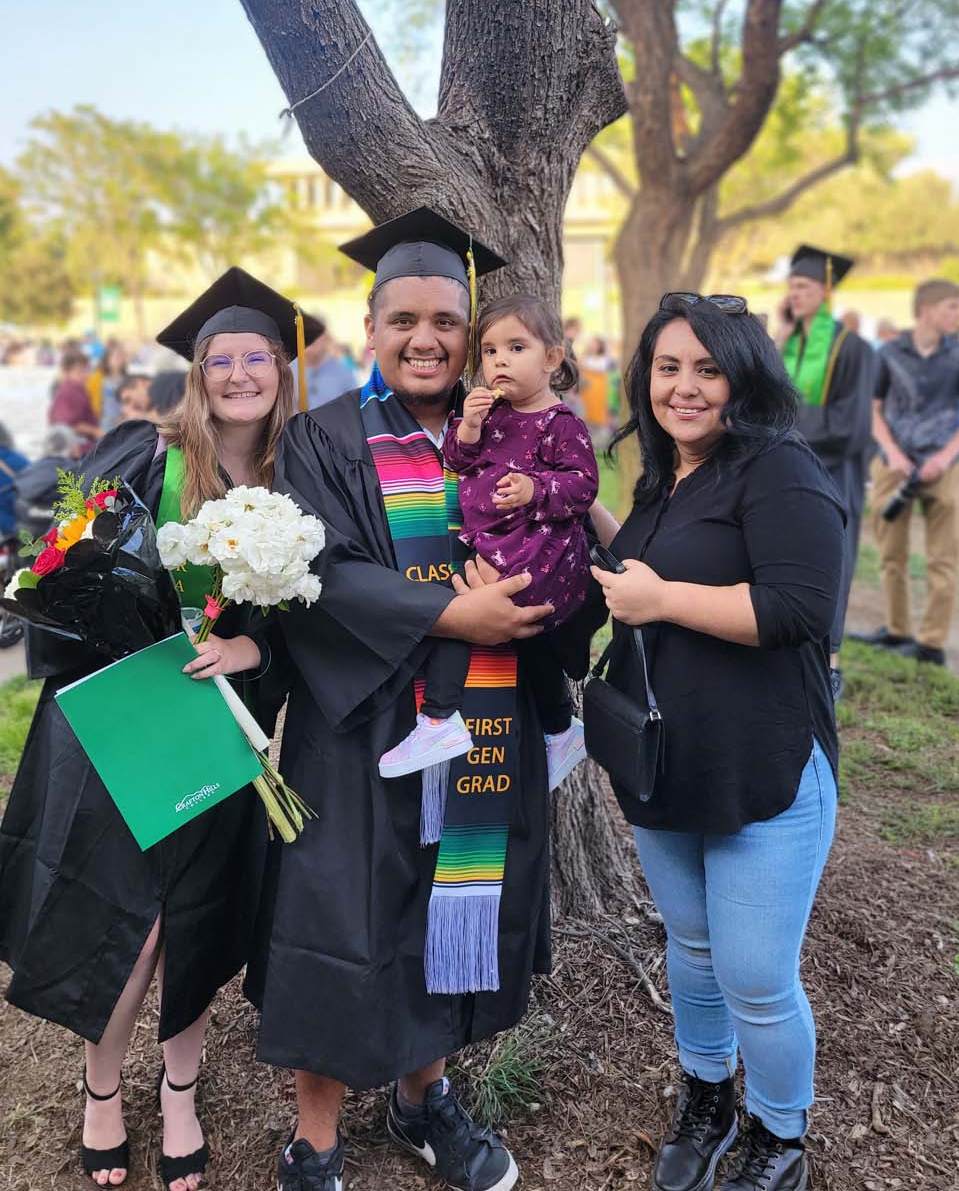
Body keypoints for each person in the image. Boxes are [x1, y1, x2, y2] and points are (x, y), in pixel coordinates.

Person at [234, 207, 577, 1191]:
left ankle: (425, 1098)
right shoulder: (322, 437)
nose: (425, 339)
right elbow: (320, 576)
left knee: (450, 905)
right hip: (362, 726)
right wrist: (450, 618)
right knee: (343, 916)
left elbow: (558, 552)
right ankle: (315, 1137)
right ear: (373, 327)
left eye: (445, 320)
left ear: (471, 333)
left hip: (484, 719)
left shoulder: (518, 437)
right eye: (404, 320)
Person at [0, 268, 321, 1191]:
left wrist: (251, 657)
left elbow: (317, 622)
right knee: (126, 918)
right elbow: (56, 570)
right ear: (197, 372)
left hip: (225, 724)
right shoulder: (145, 455)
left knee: (192, 920)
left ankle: (181, 1089)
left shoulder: (307, 472)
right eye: (220, 359)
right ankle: (101, 1088)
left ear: (283, 368)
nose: (239, 374)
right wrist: (140, 624)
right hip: (128, 719)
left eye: (257, 357)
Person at [587, 292, 844, 1191]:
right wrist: (582, 513)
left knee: (756, 974)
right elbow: (646, 572)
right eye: (668, 367)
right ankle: (709, 1096)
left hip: (765, 764)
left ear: (745, 374)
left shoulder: (777, 468)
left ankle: (782, 1135)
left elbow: (800, 608)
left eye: (707, 368)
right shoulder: (667, 477)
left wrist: (660, 601)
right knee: (691, 949)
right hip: (666, 759)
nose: (685, 387)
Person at [378, 293, 595, 792]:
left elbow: (583, 485)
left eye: (516, 348)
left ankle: (438, 719)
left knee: (465, 611)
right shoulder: (494, 414)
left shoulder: (560, 423)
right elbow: (458, 459)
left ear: (553, 358)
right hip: (503, 543)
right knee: (530, 641)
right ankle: (562, 728)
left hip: (538, 551)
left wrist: (535, 488)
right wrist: (470, 425)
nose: (500, 361)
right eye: (491, 351)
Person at [857, 280, 959, 666]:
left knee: (944, 558)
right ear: (927, 310)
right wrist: (893, 454)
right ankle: (898, 632)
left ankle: (931, 644)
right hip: (894, 467)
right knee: (890, 555)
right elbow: (872, 409)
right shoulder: (889, 353)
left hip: (944, 468)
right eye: (952, 307)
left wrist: (944, 458)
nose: (958, 315)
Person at [776, 246, 875, 700]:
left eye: (804, 287)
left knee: (833, 563)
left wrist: (789, 425)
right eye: (792, 286)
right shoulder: (789, 343)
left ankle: (831, 663)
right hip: (791, 472)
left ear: (825, 291)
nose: (795, 294)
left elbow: (852, 426)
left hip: (835, 475)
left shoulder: (853, 349)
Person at [13, 424, 81, 530]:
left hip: (25, 527)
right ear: (72, 447)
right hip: (55, 530)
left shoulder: (30, 469)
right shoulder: (74, 470)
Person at [49, 346, 101, 453]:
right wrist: (95, 431)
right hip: (75, 447)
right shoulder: (67, 392)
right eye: (79, 372)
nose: (85, 375)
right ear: (66, 372)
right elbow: (65, 425)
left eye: (86, 370)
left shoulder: (80, 390)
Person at [299, 323, 360, 409]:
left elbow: (355, 411)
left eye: (314, 335)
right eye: (305, 335)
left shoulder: (344, 375)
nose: (309, 340)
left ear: (326, 339)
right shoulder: (289, 370)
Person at [99, 341, 132, 429]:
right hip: (109, 423)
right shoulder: (103, 380)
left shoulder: (128, 380)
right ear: (107, 360)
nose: (118, 359)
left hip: (126, 420)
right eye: (115, 356)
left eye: (121, 356)